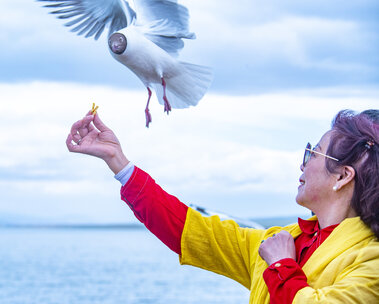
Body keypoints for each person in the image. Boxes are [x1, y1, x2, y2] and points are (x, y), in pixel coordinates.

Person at [66, 109, 379, 303]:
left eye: (314, 153)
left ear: (342, 175)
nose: (303, 164)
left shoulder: (370, 260)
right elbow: (189, 230)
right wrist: (118, 163)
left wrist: (281, 266)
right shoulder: (281, 240)